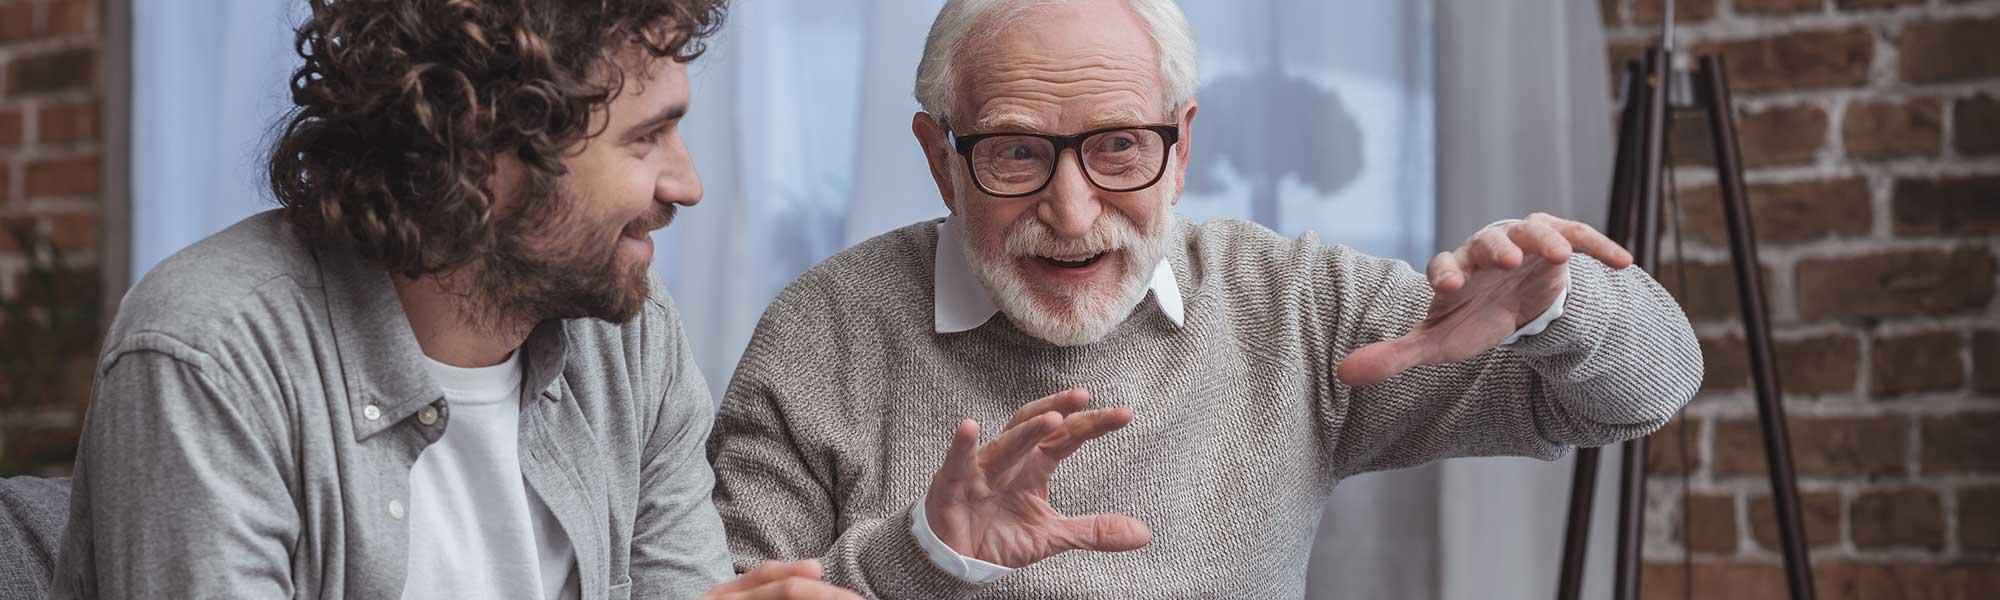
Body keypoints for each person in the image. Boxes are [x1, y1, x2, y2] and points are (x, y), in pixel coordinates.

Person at [706, 0, 1703, 596]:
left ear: (1180, 148)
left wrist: (1558, 312)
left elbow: (1647, 388)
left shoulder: (1290, 304)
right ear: (939, 157)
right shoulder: (821, 333)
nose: (1069, 208)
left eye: (1117, 148)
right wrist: (925, 555)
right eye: (1015, 150)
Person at [53, 1, 856, 598]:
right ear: (477, 151)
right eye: (645, 138)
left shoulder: (629, 337)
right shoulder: (212, 355)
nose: (687, 184)